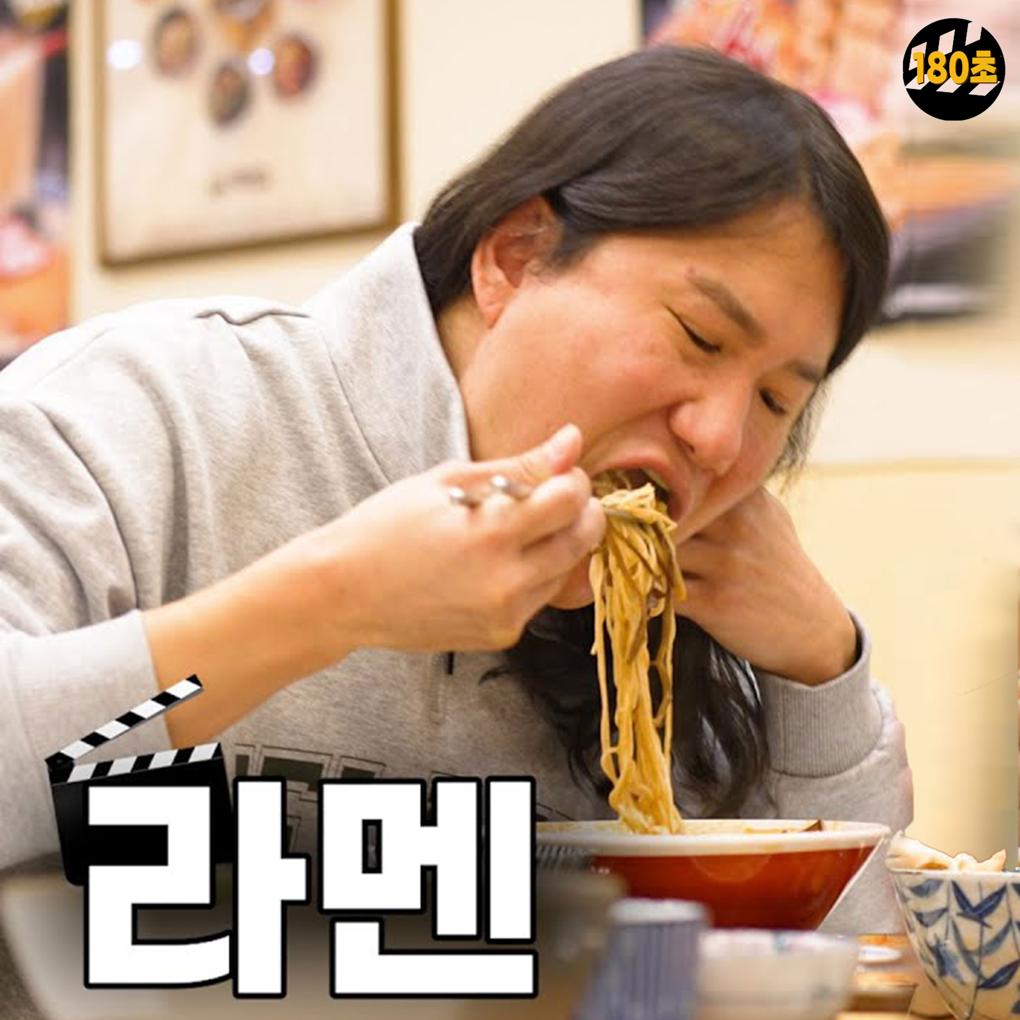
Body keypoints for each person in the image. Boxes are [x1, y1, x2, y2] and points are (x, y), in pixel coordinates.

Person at [0, 46, 911, 932]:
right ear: (514, 256)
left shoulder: (693, 624)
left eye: (776, 400)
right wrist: (329, 606)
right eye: (699, 336)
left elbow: (846, 972)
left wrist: (820, 672)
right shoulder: (139, 410)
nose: (721, 438)